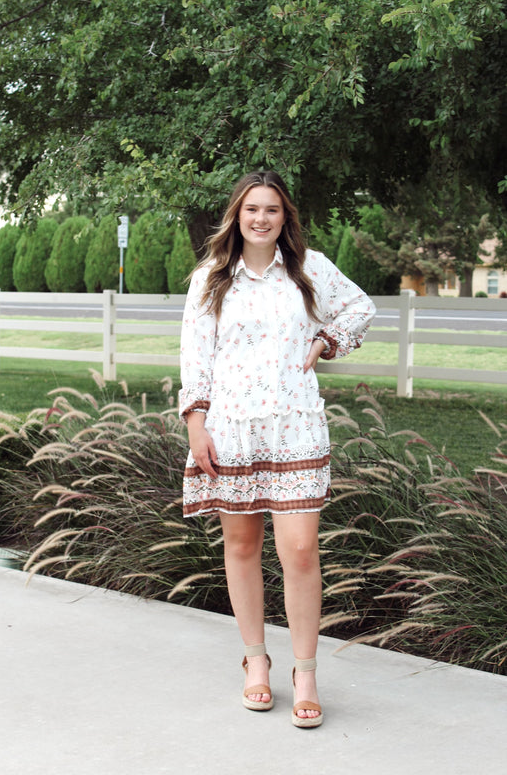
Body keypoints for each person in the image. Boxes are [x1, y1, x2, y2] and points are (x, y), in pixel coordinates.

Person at [179, 171, 376, 728]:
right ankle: (256, 662)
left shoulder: (308, 269)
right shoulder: (210, 279)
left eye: (272, 210)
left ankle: (306, 670)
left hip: (295, 428)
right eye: (251, 210)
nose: (261, 218)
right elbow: (195, 358)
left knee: (301, 550)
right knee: (241, 547)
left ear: (284, 217)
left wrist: (326, 340)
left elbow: (360, 308)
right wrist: (197, 424)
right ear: (236, 216)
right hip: (231, 429)